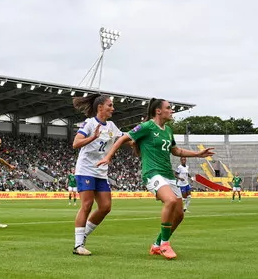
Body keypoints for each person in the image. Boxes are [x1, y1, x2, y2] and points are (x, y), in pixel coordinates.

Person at [98, 98, 214, 260]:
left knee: (179, 215)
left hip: (168, 175)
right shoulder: (147, 127)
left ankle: (157, 244)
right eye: (169, 108)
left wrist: (198, 154)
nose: (171, 110)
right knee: (171, 201)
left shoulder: (168, 130)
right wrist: (109, 156)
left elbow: (176, 150)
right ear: (158, 111)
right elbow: (124, 138)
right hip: (152, 173)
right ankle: (165, 245)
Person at [70, 94, 128, 256]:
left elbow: (124, 139)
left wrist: (140, 139)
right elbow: (76, 143)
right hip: (86, 169)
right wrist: (93, 137)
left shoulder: (111, 126)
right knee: (87, 205)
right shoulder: (90, 123)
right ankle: (78, 245)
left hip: (101, 172)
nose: (113, 108)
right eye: (110, 105)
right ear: (100, 107)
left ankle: (83, 236)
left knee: (105, 207)